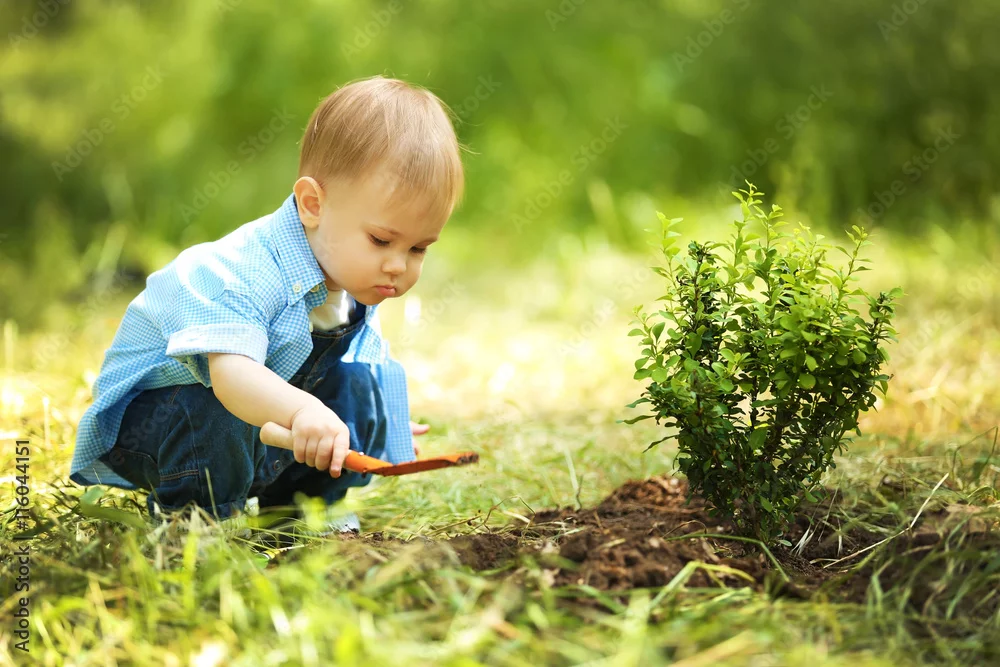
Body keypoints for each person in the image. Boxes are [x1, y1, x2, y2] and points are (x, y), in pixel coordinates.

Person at [69, 76, 464, 536]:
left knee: (357, 384)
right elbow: (232, 378)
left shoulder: (350, 276)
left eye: (418, 248)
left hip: (254, 431)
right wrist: (303, 412)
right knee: (216, 407)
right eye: (381, 240)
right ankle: (195, 519)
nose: (398, 265)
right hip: (159, 427)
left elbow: (356, 366)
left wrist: (387, 423)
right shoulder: (242, 273)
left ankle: (304, 508)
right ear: (313, 204)